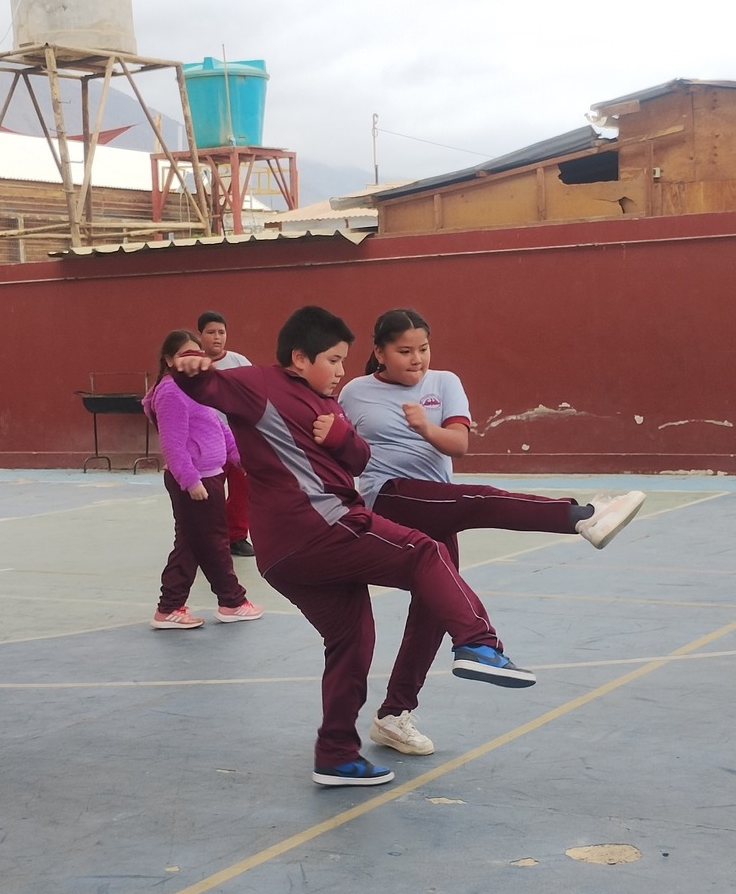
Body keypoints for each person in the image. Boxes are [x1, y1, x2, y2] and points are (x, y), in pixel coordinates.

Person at [171, 305, 535, 787]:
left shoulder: (329, 403)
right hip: (316, 528)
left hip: (288, 556)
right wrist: (193, 365)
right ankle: (478, 644)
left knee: (351, 641)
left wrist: (342, 436)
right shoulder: (260, 384)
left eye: (345, 361)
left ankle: (336, 755)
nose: (343, 371)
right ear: (299, 358)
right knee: (426, 552)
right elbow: (207, 385)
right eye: (334, 360)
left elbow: (360, 457)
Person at [338, 308, 646, 757]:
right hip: (390, 496)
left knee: (432, 612)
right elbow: (335, 445)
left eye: (423, 348)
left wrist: (426, 427)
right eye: (404, 351)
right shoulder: (355, 392)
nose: (417, 359)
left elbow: (459, 445)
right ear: (379, 352)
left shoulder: (444, 383)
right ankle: (581, 516)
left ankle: (393, 715)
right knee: (477, 500)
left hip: (436, 501)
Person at [144, 329, 263, 629]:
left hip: (210, 477)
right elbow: (172, 444)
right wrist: (191, 481)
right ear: (169, 359)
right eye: (184, 354)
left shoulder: (197, 389)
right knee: (213, 543)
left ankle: (170, 607)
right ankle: (232, 601)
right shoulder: (171, 392)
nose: (191, 360)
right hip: (196, 483)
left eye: (196, 354)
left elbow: (219, 429)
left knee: (190, 544)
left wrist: (240, 459)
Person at [195, 311, 256, 558]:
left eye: (221, 332)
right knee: (210, 493)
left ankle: (237, 537)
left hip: (239, 439)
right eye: (211, 332)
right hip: (207, 442)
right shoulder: (193, 365)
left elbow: (256, 394)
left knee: (242, 489)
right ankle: (206, 540)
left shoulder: (240, 362)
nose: (217, 337)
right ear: (200, 335)